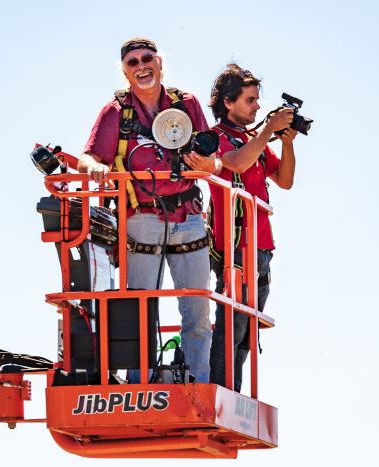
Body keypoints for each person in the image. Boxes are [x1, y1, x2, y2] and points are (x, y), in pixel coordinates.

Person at [78, 38, 216, 383]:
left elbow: (211, 159)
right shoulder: (116, 111)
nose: (142, 66)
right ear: (125, 71)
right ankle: (140, 383)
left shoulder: (185, 104)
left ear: (160, 63)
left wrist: (203, 162)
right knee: (141, 308)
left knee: (197, 308)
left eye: (147, 58)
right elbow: (89, 156)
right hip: (142, 217)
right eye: (133, 62)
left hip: (188, 215)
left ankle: (198, 383)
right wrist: (94, 167)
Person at [198, 63, 297, 391]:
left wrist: (287, 141)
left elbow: (284, 181)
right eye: (250, 100)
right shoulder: (216, 138)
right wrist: (269, 129)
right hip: (236, 248)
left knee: (247, 330)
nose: (257, 106)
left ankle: (232, 394)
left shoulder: (251, 139)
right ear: (228, 102)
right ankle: (221, 392)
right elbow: (237, 162)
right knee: (231, 325)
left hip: (261, 248)